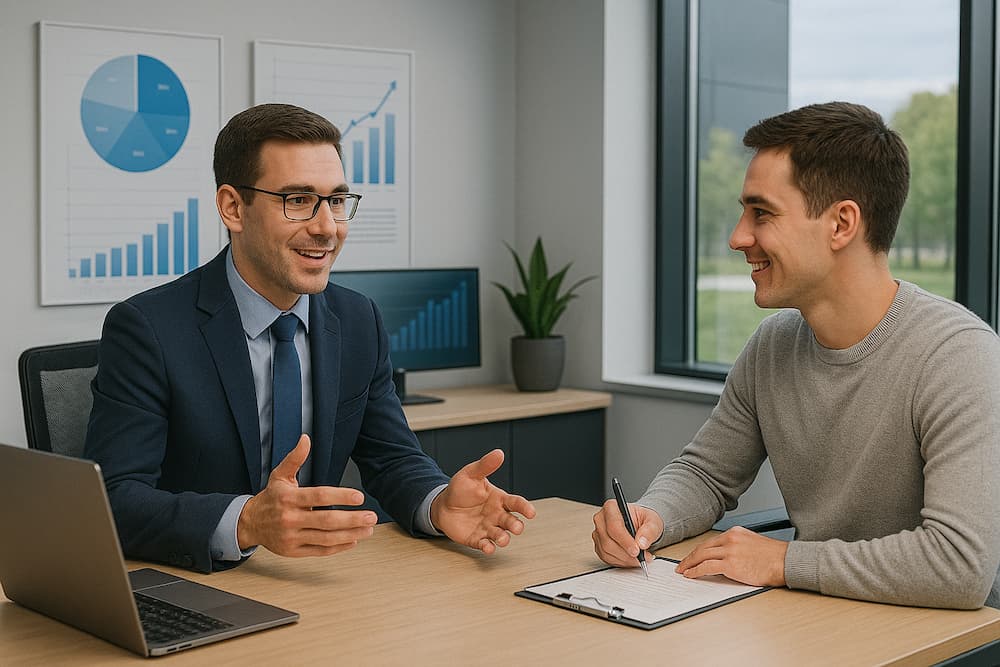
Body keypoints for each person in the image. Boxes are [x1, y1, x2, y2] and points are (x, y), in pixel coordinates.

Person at [84, 103, 535, 573]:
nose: (326, 228)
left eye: (337, 201)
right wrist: (247, 522)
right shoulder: (147, 328)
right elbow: (113, 500)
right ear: (233, 207)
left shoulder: (358, 319)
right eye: (297, 200)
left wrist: (439, 503)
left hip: (315, 585)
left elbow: (392, 458)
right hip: (196, 584)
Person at [592, 101, 1000, 610]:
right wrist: (651, 515)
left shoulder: (957, 355)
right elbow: (706, 474)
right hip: (821, 616)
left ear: (841, 224)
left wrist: (784, 562)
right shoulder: (773, 345)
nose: (738, 237)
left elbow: (959, 567)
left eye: (761, 213)